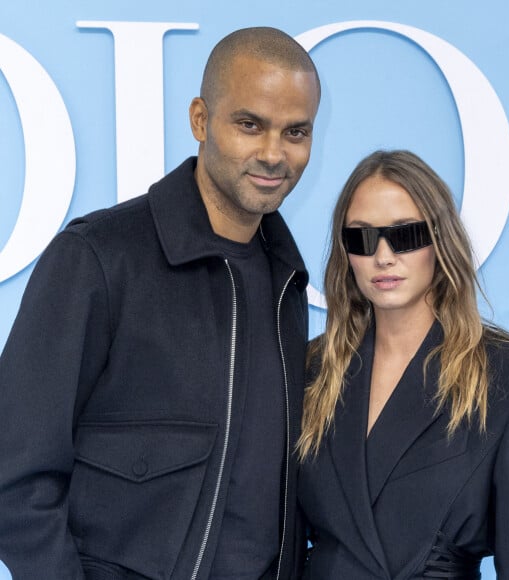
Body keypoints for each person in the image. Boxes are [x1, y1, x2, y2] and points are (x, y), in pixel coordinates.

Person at [0, 27, 320, 580]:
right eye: (250, 125)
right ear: (200, 119)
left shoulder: (286, 281)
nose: (273, 154)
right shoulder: (98, 259)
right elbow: (14, 475)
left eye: (296, 132)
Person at [297, 150, 509, 579]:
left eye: (405, 236)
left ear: (440, 240)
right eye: (362, 239)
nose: (383, 257)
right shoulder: (309, 371)